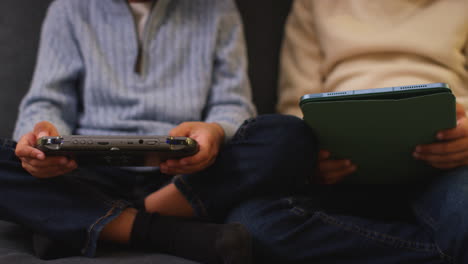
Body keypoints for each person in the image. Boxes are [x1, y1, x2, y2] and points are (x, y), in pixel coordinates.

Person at [0, 0, 318, 263]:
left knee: (288, 135)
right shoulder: (69, 8)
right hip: (89, 172)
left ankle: (94, 221)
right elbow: (47, 101)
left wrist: (215, 132)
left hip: (185, 178)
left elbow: (233, 104)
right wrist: (41, 141)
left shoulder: (218, 9)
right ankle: (161, 230)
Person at [226, 1, 468, 264]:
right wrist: (309, 158)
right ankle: (450, 252)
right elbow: (294, 105)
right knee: (250, 226)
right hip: (340, 171)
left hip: (445, 160)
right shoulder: (313, 4)